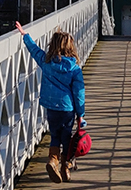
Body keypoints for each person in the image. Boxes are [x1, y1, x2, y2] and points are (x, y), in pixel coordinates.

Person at [15, 21, 86, 183]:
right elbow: (79, 93)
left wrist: (25, 35)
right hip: (67, 109)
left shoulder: (46, 63)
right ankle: (65, 167)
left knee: (55, 135)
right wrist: (80, 114)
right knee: (66, 137)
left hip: (51, 107)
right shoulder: (74, 69)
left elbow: (34, 50)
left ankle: (53, 161)